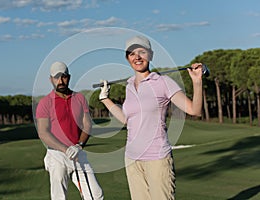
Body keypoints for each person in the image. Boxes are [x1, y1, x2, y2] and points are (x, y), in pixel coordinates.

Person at [99, 35, 203, 200]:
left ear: (150, 55)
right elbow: (127, 119)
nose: (137, 57)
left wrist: (197, 83)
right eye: (132, 53)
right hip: (132, 159)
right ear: (127, 58)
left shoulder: (163, 82)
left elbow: (194, 110)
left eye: (142, 52)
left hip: (157, 159)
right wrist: (105, 99)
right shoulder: (129, 86)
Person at [36, 61, 104, 200]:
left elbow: (87, 125)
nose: (60, 81)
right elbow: (43, 132)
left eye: (64, 76)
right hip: (56, 155)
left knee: (96, 195)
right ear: (51, 79)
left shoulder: (79, 98)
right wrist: (64, 149)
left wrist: (79, 145)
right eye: (56, 77)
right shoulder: (45, 102)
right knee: (59, 197)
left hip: (78, 152)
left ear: (69, 77)